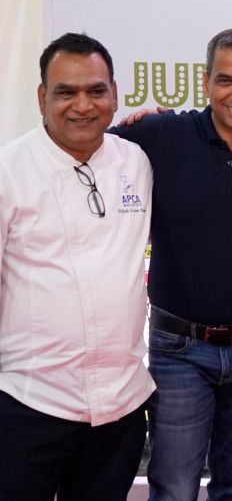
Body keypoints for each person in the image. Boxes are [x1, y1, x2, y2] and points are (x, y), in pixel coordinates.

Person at [113, 28, 232, 501]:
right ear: (206, 82)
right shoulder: (161, 135)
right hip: (179, 349)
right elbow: (92, 152)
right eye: (226, 80)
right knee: (174, 488)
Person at [0, 33, 153, 501]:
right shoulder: (9, 170)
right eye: (66, 92)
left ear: (115, 94)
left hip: (121, 408)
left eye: (96, 91)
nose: (82, 105)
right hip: (29, 404)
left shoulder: (137, 161)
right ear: (42, 97)